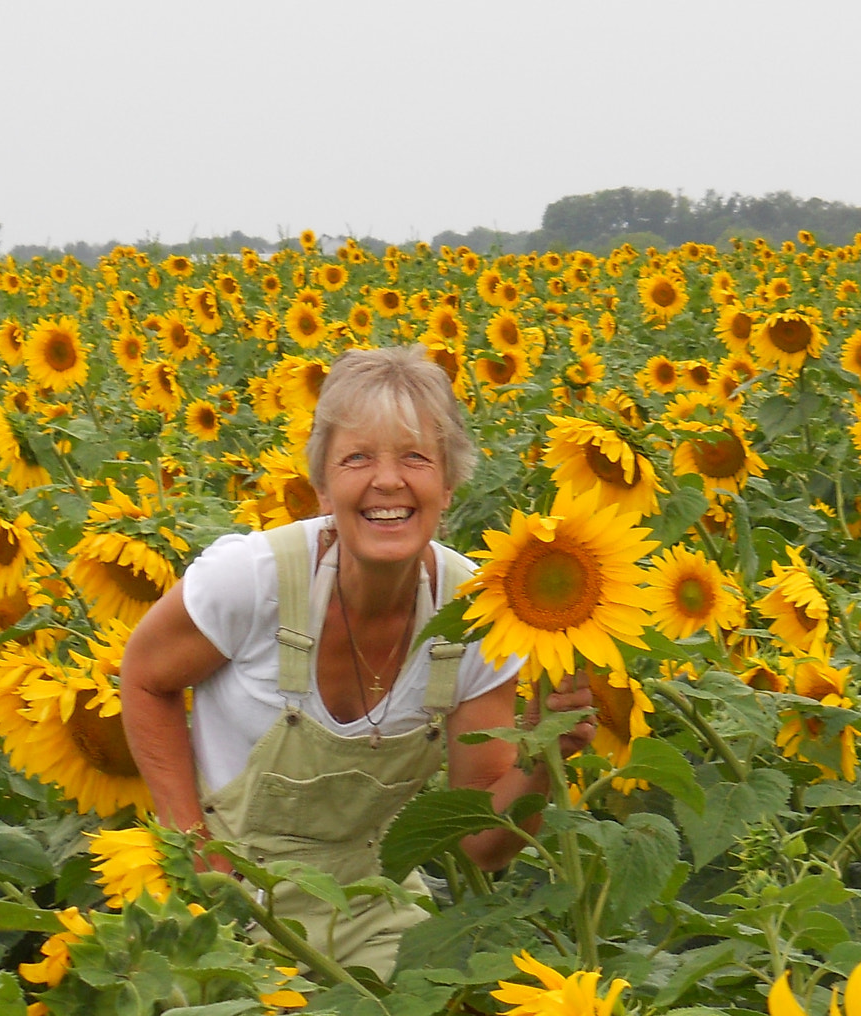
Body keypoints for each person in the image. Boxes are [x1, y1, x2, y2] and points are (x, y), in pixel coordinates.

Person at [120, 346, 595, 983]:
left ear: (448, 484)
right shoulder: (254, 580)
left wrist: (544, 751)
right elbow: (144, 678)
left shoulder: (484, 616)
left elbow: (484, 841)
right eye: (358, 458)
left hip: (368, 901)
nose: (388, 481)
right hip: (225, 898)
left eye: (416, 458)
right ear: (321, 485)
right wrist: (194, 847)